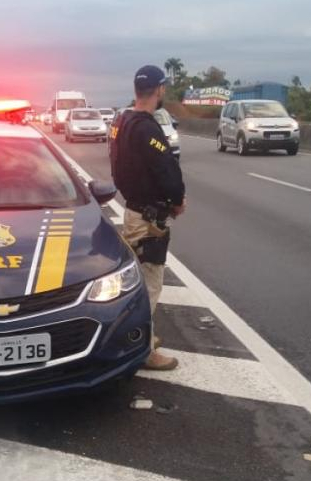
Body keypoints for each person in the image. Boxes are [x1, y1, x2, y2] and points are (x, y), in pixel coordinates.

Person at [109, 65, 186, 371]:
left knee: (140, 279)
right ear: (159, 90)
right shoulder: (147, 128)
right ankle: (143, 349)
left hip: (132, 209)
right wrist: (178, 200)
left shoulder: (122, 121)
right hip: (147, 218)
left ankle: (143, 338)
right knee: (150, 283)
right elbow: (167, 169)